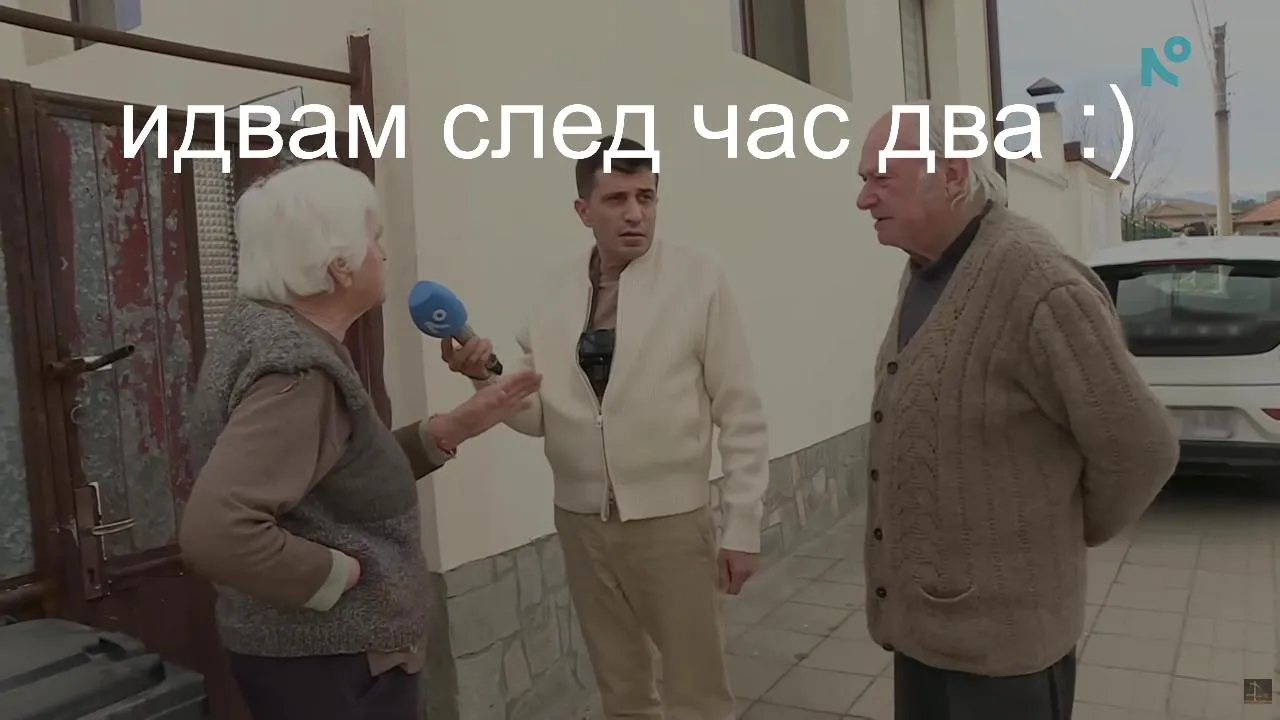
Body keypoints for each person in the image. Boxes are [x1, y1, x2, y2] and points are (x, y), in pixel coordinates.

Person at [178, 160, 541, 720]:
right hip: (334, 664)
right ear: (340, 265)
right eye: (375, 238)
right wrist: (337, 575)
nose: (384, 253)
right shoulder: (299, 370)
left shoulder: (263, 333)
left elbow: (330, 475)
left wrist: (455, 427)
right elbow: (217, 533)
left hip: (310, 658)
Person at [853, 103, 1180, 720]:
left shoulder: (1037, 281)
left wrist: (1057, 531)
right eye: (864, 180)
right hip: (923, 636)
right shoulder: (925, 269)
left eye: (882, 179)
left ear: (952, 176)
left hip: (1004, 657)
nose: (864, 199)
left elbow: (1141, 447)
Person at [440, 137, 768, 719]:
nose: (635, 213)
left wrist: (743, 524)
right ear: (583, 210)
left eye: (646, 196)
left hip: (671, 524)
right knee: (621, 692)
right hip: (581, 523)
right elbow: (538, 417)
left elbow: (740, 410)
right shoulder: (554, 291)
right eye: (616, 199)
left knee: (698, 694)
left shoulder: (699, 281)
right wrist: (483, 378)